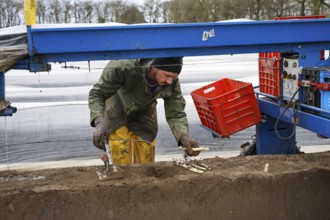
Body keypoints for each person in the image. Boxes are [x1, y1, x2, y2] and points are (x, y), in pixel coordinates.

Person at [89, 57, 200, 165]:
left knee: (146, 165)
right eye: (167, 76)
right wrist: (99, 122)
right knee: (120, 160)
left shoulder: (171, 82)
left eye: (174, 77)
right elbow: (97, 94)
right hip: (117, 112)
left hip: (145, 117)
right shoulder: (122, 66)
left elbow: (176, 112)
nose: (170, 81)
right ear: (153, 66)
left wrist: (182, 136)